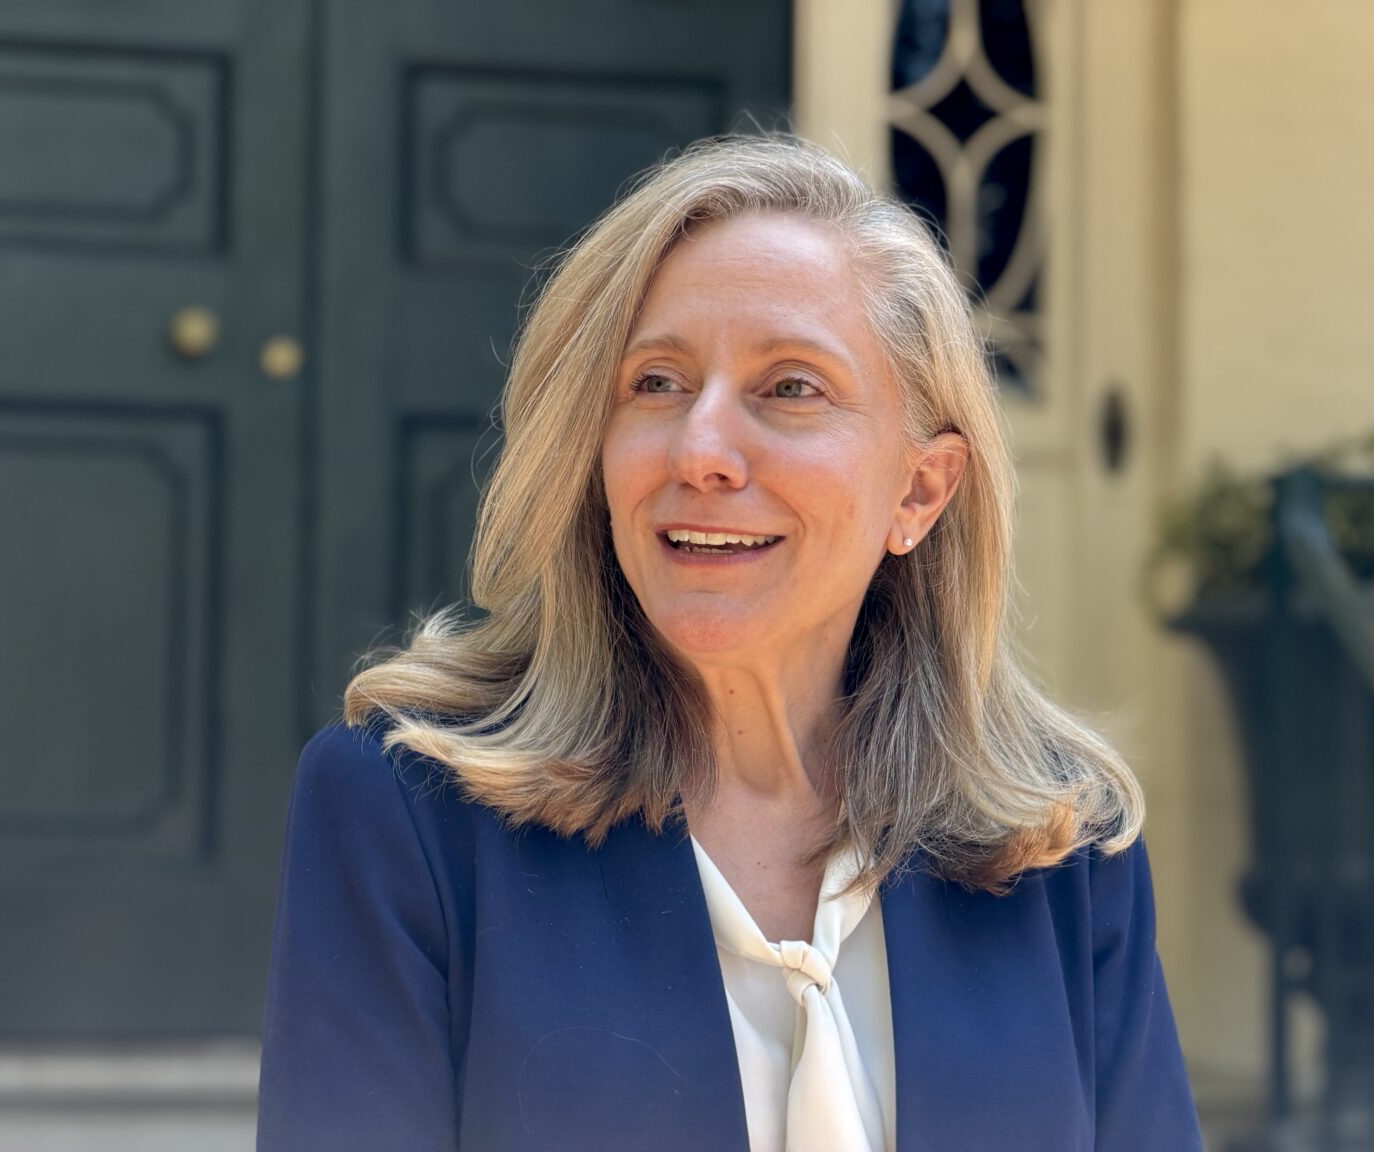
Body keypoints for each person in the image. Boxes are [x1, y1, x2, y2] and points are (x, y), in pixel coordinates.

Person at [255, 132, 1204, 1151]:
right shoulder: (408, 819)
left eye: (790, 388)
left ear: (920, 491)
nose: (700, 449)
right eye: (655, 384)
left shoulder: (1061, 851)